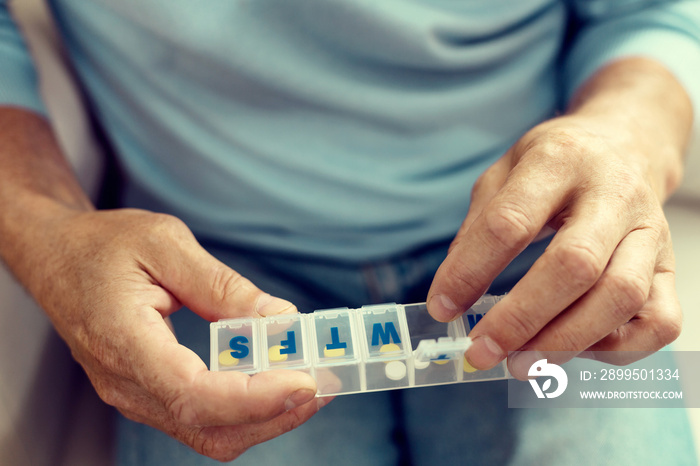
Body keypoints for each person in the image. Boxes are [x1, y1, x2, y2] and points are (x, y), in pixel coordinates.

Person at [1, 0, 699, 464]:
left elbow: (648, 12)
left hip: (543, 248)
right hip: (208, 273)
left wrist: (626, 136)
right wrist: (43, 224)